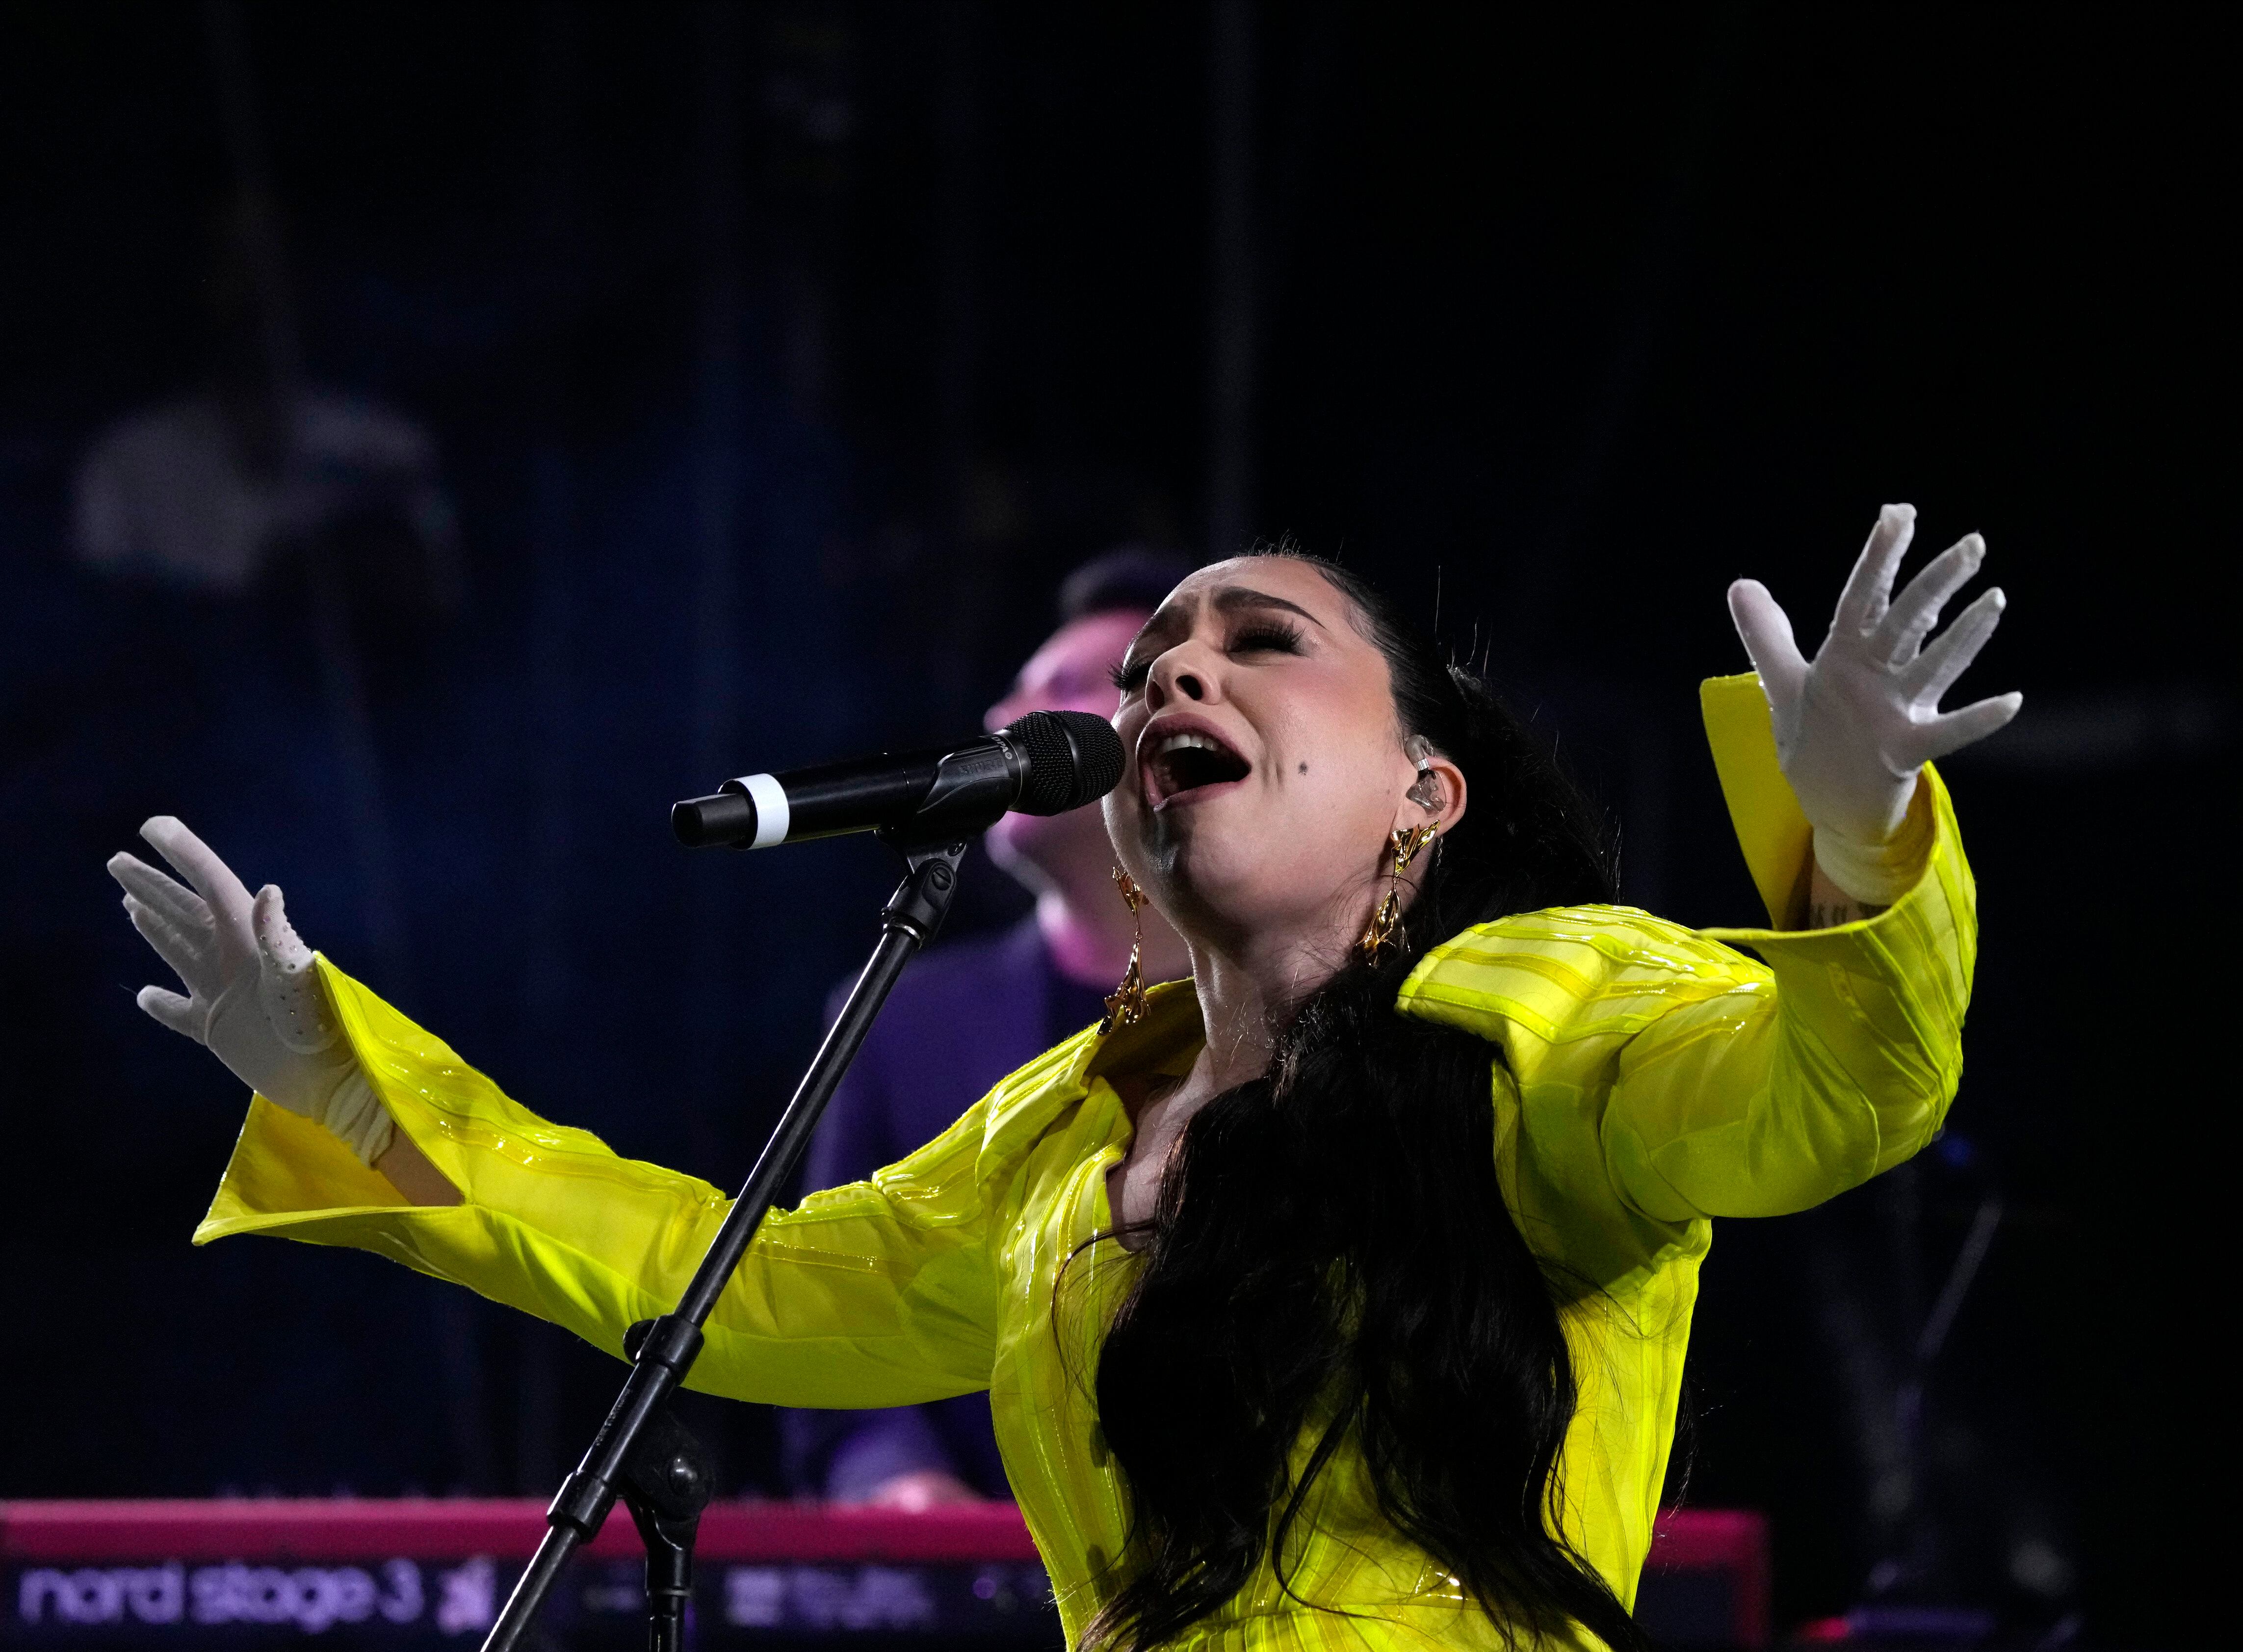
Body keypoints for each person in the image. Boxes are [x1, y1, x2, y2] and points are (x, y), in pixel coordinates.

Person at [111, 506, 2017, 1652]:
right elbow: (740, 1287)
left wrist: (1857, 841)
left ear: (1422, 795)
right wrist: (351, 1088)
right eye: (1155, 664)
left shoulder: (1552, 1012)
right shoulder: (1062, 1127)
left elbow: (1829, 1091)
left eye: (1259, 643)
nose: (1176, 678)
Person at [782, 548, 1195, 1509]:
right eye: (1013, 692)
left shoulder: (1326, 1008)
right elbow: (834, 1317)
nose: (1006, 721)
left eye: (1067, 685)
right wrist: (910, 1495)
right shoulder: (897, 1017)